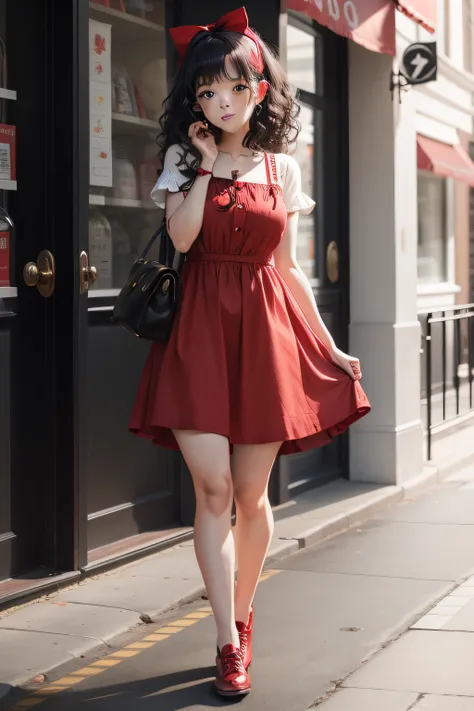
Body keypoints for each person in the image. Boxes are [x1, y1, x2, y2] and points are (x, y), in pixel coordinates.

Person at [130, 7, 370, 697]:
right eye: (206, 91)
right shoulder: (183, 158)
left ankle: (243, 611)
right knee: (211, 488)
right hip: (198, 331)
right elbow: (180, 240)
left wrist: (329, 346)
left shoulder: (282, 168)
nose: (220, 101)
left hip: (263, 333)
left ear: (258, 88)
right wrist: (204, 165)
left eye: (233, 88)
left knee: (249, 494)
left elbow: (290, 269)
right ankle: (227, 643)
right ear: (195, 98)